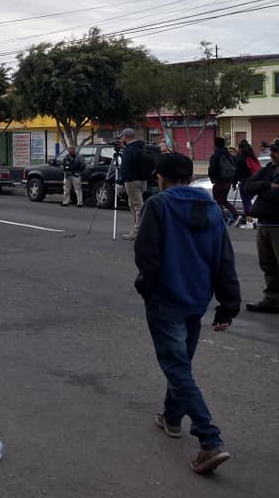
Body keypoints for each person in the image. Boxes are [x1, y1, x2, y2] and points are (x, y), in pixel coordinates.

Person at [133, 152, 240, 474]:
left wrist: (145, 287)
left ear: (161, 178)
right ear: (191, 177)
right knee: (181, 365)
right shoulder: (212, 208)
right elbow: (224, 259)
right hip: (197, 299)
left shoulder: (158, 205)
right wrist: (228, 306)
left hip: (166, 299)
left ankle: (210, 440)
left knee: (177, 368)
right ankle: (171, 417)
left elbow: (146, 255)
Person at [244, 139, 279, 313]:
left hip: (277, 224)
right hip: (264, 223)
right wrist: (267, 186)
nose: (272, 154)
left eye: (276, 151)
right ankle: (272, 300)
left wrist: (261, 192)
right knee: (268, 264)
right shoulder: (269, 169)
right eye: (272, 151)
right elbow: (248, 186)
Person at [118, 128, 151, 240]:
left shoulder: (129, 150)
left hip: (132, 180)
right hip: (143, 180)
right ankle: (137, 228)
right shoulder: (141, 147)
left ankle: (138, 231)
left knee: (138, 206)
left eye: (122, 137)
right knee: (133, 204)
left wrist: (120, 181)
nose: (121, 139)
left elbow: (125, 167)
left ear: (126, 137)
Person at [207, 136, 240, 226]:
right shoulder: (229, 155)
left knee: (218, 201)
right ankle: (236, 215)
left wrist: (212, 179)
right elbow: (235, 168)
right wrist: (234, 182)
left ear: (215, 145)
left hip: (219, 182)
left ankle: (221, 220)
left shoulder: (215, 156)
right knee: (223, 200)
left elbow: (212, 169)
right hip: (228, 182)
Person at [235, 139, 261, 229]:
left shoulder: (240, 158)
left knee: (246, 202)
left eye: (238, 148)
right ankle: (253, 220)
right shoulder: (252, 156)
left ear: (240, 149)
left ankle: (249, 222)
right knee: (249, 201)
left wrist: (234, 182)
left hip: (244, 182)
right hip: (253, 181)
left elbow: (237, 172)